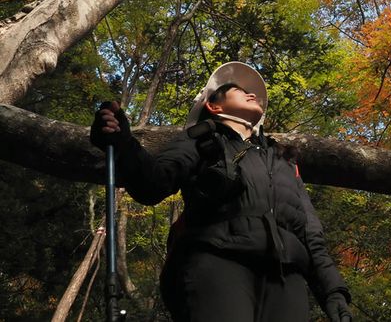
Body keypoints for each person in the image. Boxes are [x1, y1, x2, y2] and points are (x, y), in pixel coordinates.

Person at [90, 62, 352, 322]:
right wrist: (123, 143)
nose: (252, 94)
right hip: (217, 262)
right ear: (213, 106)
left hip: (288, 280)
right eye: (239, 90)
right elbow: (153, 184)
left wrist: (333, 291)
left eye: (253, 93)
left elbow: (310, 234)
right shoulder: (201, 140)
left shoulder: (284, 160)